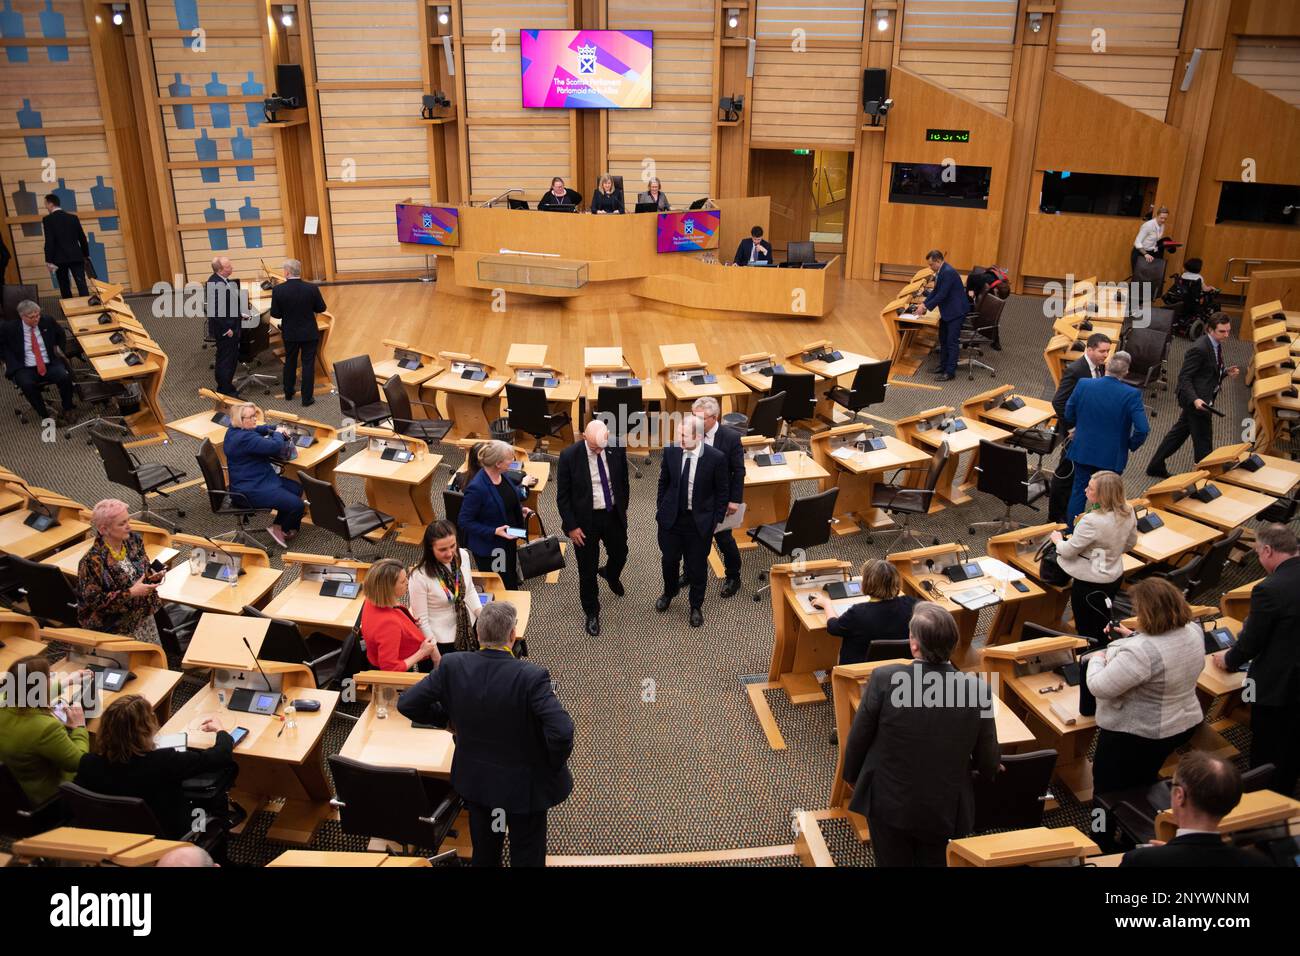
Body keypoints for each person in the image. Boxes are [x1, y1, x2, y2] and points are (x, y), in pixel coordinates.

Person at [397, 601, 573, 867]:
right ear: (512, 635)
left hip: (478, 781)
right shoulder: (531, 676)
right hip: (524, 787)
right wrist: (550, 763)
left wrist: (447, 720)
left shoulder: (452, 665)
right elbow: (561, 732)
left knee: (485, 853)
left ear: (478, 634)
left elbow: (407, 703)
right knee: (527, 855)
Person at [842, 603, 998, 866]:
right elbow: (988, 759)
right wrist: (989, 769)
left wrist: (851, 777)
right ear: (954, 642)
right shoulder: (977, 690)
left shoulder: (884, 678)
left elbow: (858, 737)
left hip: (888, 800)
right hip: (943, 805)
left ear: (914, 645)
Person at [1086, 577, 1204, 795]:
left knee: (1105, 791)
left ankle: (1099, 827)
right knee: (1143, 777)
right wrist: (1132, 636)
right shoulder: (1193, 630)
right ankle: (1141, 813)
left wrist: (1097, 657)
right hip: (1180, 724)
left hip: (1138, 735)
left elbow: (1098, 686)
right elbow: (1167, 651)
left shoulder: (1140, 652)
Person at [1212, 524, 1300, 796]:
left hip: (1281, 685)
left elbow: (1251, 644)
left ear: (1268, 550)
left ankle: (1265, 797)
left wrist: (1228, 659)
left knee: (1269, 745)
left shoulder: (1269, 589)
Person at [75, 695, 239, 841]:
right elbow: (219, 757)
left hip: (112, 840)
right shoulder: (163, 762)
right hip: (167, 838)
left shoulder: (88, 764)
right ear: (145, 730)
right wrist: (222, 731)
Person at [1121, 751, 1272, 867]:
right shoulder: (1258, 862)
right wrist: (1174, 850)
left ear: (1179, 795)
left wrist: (1170, 852)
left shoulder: (1140, 861)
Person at [556, 420, 629, 637]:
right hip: (584, 521)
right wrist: (571, 527)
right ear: (584, 437)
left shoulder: (615, 446)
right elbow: (563, 497)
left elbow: (623, 480)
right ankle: (591, 612)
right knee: (587, 570)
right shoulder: (569, 456)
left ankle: (610, 574)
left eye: (602, 446)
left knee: (621, 553)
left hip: (612, 513)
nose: (599, 451)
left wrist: (623, 508)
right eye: (594, 447)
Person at [654, 415, 728, 627]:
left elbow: (722, 493)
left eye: (684, 435)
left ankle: (695, 606)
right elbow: (663, 481)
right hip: (672, 520)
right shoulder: (671, 451)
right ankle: (669, 592)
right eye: (679, 434)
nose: (679, 439)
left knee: (696, 568)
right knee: (669, 560)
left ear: (698, 436)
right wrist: (662, 507)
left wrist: (715, 520)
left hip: (699, 523)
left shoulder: (716, 458)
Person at [1062, 350, 1149, 526]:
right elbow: (1143, 429)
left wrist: (1080, 427)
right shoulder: (1131, 394)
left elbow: (1068, 411)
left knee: (1079, 491)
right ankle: (1098, 533)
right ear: (1126, 372)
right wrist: (1129, 444)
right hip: (1112, 456)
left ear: (1106, 366)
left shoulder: (1084, 384)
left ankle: (1071, 532)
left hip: (1084, 449)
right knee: (1105, 498)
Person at [1146, 312, 1238, 478]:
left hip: (1202, 397)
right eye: (1222, 331)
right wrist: (1195, 399)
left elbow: (1206, 372)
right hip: (1197, 401)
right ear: (1210, 330)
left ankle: (1155, 465)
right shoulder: (1199, 348)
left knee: (1178, 434)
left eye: (1228, 331)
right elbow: (1184, 377)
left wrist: (1224, 372)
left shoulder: (1215, 343)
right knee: (1203, 439)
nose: (1227, 335)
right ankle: (1205, 476)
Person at [1050, 471, 1136, 643]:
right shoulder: (1128, 509)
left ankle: (1091, 658)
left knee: (1087, 628)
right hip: (1114, 576)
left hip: (1090, 584)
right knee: (1102, 621)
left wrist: (1058, 541)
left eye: (1090, 488)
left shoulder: (1091, 521)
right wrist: (1107, 551)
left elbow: (1068, 551)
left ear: (1103, 495)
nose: (1085, 490)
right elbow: (1130, 543)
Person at [0, 656, 91, 807]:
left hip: (12, 798)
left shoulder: (4, 704)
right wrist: (79, 727)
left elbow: (27, 693)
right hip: (48, 801)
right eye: (50, 676)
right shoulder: (46, 728)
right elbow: (78, 763)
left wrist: (67, 681)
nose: (52, 678)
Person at [76, 498, 164, 642]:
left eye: (128, 520)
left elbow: (143, 570)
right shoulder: (91, 562)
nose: (129, 526)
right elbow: (95, 602)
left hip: (143, 616)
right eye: (122, 524)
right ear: (104, 529)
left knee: (153, 659)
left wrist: (153, 575)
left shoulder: (133, 540)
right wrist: (131, 593)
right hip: (114, 629)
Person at [1047, 332, 1113, 523]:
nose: (1105, 355)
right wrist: (1070, 427)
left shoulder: (1100, 367)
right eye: (1102, 351)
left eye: (1107, 351)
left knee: (1076, 475)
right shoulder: (1076, 370)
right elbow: (1058, 401)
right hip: (1074, 434)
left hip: (1088, 432)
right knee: (1065, 474)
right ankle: (1054, 518)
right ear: (1089, 349)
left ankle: (1068, 514)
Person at [224, 402, 304, 547]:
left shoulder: (233, 430)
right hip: (251, 489)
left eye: (255, 415)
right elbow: (274, 447)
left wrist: (274, 428)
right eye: (251, 417)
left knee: (296, 488)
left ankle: (278, 525)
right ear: (241, 420)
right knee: (297, 505)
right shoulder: (245, 439)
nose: (255, 419)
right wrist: (278, 434)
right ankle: (283, 528)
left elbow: (259, 428)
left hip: (257, 479)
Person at [809, 560, 917, 665]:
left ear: (865, 584)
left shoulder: (858, 613)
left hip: (858, 672)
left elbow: (833, 627)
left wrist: (827, 604)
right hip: (900, 668)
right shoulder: (913, 605)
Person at [458, 439, 533, 590]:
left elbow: (507, 497)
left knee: (510, 577)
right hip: (492, 548)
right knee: (501, 585)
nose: (512, 461)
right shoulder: (477, 488)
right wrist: (493, 531)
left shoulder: (501, 475)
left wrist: (519, 509)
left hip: (508, 539)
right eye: (509, 459)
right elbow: (464, 521)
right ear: (498, 463)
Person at [689, 397, 744, 598]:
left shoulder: (730, 437)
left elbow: (738, 471)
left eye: (700, 419)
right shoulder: (692, 431)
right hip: (696, 497)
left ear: (715, 417)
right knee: (692, 538)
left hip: (721, 499)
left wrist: (734, 500)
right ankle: (689, 572)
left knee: (724, 540)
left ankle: (733, 575)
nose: (696, 423)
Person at [409, 519, 482, 657]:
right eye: (442, 549)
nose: (450, 553)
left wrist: (483, 617)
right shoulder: (419, 576)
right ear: (431, 549)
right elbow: (422, 620)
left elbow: (469, 590)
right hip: (441, 642)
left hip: (468, 629)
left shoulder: (463, 556)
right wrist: (435, 655)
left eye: (452, 546)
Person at [1, 299, 76, 423]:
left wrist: (59, 351)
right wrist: (7, 358)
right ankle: (45, 415)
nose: (36, 319)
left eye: (38, 315)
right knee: (27, 384)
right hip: (24, 366)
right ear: (22, 316)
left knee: (64, 377)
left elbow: (61, 334)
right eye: (32, 317)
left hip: (49, 362)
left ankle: (68, 408)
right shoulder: (9, 328)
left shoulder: (47, 321)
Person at [360, 558, 439, 672]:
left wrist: (408, 621)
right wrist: (422, 652)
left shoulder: (372, 599)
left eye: (406, 577)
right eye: (402, 581)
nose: (407, 582)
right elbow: (390, 669)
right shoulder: (388, 624)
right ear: (388, 588)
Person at [268, 258, 326, 406]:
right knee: (308, 364)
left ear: (286, 273)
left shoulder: (278, 290)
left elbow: (275, 314)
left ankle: (288, 392)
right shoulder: (311, 288)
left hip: (290, 333)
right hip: (309, 333)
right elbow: (321, 308)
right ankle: (307, 399)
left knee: (290, 362)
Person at [911, 249, 967, 381]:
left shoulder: (948, 272)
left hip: (955, 312)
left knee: (952, 342)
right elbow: (936, 291)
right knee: (943, 339)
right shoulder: (942, 270)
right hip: (948, 311)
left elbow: (942, 295)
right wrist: (924, 304)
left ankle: (950, 372)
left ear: (938, 261)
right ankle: (943, 366)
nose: (930, 268)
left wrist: (924, 306)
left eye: (931, 265)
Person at [206, 255, 244, 396]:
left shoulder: (222, 280)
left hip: (231, 324)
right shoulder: (216, 285)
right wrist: (226, 329)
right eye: (228, 267)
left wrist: (239, 314)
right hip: (226, 329)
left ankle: (227, 386)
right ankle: (224, 391)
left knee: (230, 358)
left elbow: (228, 304)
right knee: (226, 360)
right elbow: (215, 312)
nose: (232, 268)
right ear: (220, 270)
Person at [42, 192, 89, 298]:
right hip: (76, 256)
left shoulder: (48, 220)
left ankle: (69, 309)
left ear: (51, 204)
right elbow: (82, 238)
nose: (45, 207)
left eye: (45, 204)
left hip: (59, 258)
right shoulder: (73, 218)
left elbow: (49, 241)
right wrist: (85, 254)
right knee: (81, 284)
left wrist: (48, 260)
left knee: (64, 285)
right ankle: (87, 308)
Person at [1131, 205, 1169, 275]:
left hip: (1151, 254)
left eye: (1165, 219)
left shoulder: (1162, 225)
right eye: (1161, 218)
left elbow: (1155, 240)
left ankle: (1145, 287)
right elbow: (1137, 242)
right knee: (1138, 278)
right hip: (1140, 253)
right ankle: (1135, 287)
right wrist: (1145, 254)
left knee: (1147, 277)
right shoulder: (1148, 225)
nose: (1163, 220)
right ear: (1157, 215)